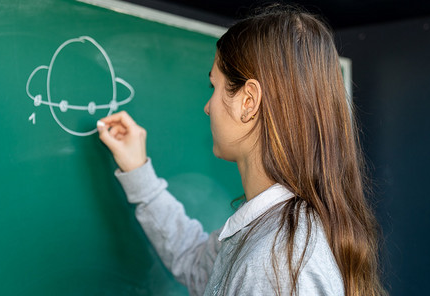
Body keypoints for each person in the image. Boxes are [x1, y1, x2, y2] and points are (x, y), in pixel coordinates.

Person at [97, 5, 385, 296]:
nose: (208, 107)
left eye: (215, 86)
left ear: (248, 101)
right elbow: (198, 264)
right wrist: (139, 174)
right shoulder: (280, 229)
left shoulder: (275, 265)